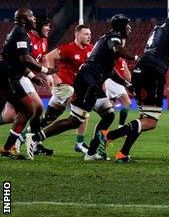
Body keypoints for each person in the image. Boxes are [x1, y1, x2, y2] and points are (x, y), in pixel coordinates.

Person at [100, 1, 169, 163]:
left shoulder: (159, 27)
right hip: (152, 74)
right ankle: (108, 135)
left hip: (141, 71)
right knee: (150, 122)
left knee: (143, 116)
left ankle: (123, 153)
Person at [25, 14, 138, 161]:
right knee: (75, 121)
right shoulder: (113, 37)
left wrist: (126, 84)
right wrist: (135, 58)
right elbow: (116, 48)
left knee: (109, 115)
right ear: (121, 26)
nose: (130, 28)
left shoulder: (107, 41)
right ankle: (35, 138)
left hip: (94, 83)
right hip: (86, 82)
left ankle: (91, 152)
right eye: (127, 25)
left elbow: (109, 70)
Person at [0, 8, 55, 159]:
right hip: (8, 78)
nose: (34, 19)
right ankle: (9, 147)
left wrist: (33, 77)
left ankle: (10, 147)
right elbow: (25, 58)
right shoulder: (21, 33)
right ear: (24, 19)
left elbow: (19, 60)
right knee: (28, 109)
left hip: (9, 76)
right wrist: (45, 70)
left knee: (19, 112)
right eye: (31, 17)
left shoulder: (18, 32)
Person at [41, 24, 93, 154]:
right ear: (77, 35)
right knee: (83, 107)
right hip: (64, 87)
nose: (89, 36)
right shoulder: (68, 48)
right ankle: (79, 143)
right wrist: (53, 75)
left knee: (48, 118)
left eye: (90, 34)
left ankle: (25, 136)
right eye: (86, 34)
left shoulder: (91, 49)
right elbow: (48, 57)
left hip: (72, 90)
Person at [104, 57, 132, 127]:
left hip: (114, 82)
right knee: (127, 103)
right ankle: (120, 127)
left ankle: (103, 132)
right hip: (114, 81)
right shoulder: (115, 54)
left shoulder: (122, 58)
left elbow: (128, 78)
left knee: (110, 110)